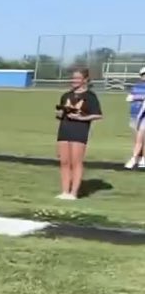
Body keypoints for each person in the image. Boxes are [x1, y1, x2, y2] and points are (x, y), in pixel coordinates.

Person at [54, 67, 103, 200]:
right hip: (64, 130)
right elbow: (61, 113)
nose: (74, 81)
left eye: (77, 78)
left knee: (76, 161)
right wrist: (59, 114)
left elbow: (98, 115)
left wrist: (81, 118)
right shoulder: (66, 95)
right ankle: (65, 191)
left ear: (85, 80)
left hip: (79, 130)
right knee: (64, 161)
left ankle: (74, 193)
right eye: (73, 78)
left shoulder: (90, 96)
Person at [124, 67, 145, 169]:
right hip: (134, 115)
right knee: (137, 138)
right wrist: (139, 97)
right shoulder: (136, 87)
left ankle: (134, 158)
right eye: (143, 74)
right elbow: (128, 98)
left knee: (140, 138)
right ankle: (140, 158)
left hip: (143, 116)